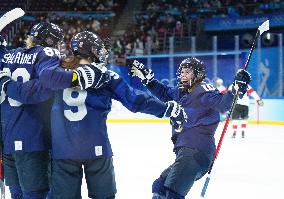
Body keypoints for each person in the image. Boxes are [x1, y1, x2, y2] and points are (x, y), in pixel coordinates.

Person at [1, 30, 187, 199]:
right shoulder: (105, 75)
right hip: (97, 148)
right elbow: (136, 101)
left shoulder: (56, 75)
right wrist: (167, 109)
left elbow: (31, 91)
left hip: (62, 152)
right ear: (93, 51)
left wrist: (6, 83)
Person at [0, 23, 108, 199]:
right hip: (34, 140)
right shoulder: (47, 53)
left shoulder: (11, 55)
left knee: (17, 194)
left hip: (8, 141)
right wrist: (76, 77)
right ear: (50, 41)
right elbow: (49, 81)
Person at [129, 58, 252, 199]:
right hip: (186, 153)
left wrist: (234, 90)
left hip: (196, 152)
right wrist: (149, 81)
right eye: (182, 72)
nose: (183, 75)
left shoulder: (204, 91)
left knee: (172, 193)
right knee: (160, 187)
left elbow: (222, 104)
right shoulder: (181, 92)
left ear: (198, 75)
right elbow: (164, 93)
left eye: (187, 72)